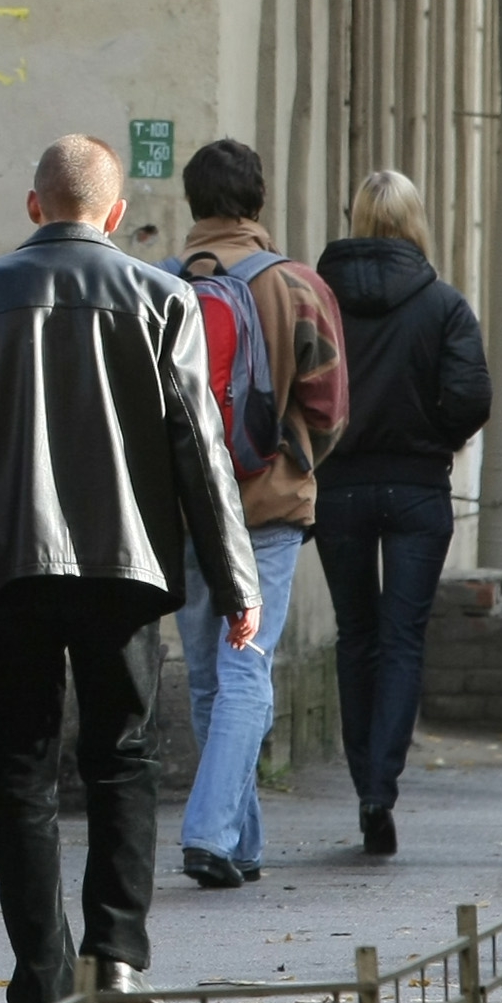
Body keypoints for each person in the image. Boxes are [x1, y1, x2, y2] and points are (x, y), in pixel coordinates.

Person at [0, 135, 259, 1003]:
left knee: (21, 770)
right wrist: (236, 580)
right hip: (124, 570)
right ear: (113, 214)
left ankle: (39, 973)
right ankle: (120, 956)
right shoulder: (161, 297)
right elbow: (200, 448)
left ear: (35, 207)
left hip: (5, 565)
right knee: (123, 760)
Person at [166, 139, 349, 890]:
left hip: (184, 510)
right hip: (268, 506)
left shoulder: (160, 289)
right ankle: (212, 832)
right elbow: (330, 403)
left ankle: (238, 845)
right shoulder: (295, 285)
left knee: (210, 675)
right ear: (259, 201)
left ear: (192, 203)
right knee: (247, 665)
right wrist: (298, 461)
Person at [312, 169, 490, 858]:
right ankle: (381, 786)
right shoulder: (442, 304)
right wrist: (435, 435)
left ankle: (363, 779)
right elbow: (472, 395)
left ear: (356, 218)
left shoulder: (321, 299)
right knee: (402, 636)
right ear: (415, 222)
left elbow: (302, 380)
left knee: (355, 633)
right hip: (418, 489)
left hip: (342, 487)